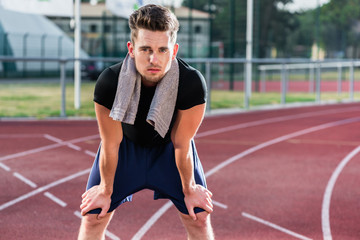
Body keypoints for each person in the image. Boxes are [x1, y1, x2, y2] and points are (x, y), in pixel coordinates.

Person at [78, 4, 214, 240]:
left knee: (199, 217)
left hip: (170, 150)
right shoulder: (109, 82)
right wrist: (105, 190)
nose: (154, 58)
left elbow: (182, 143)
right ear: (131, 49)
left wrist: (190, 190)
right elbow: (110, 142)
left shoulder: (191, 83)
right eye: (145, 49)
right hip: (124, 149)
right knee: (93, 215)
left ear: (174, 50)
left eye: (163, 50)